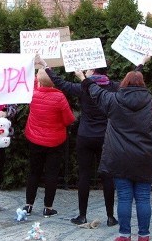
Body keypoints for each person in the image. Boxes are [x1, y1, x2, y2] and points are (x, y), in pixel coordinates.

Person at [81, 55, 152, 241]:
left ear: (123, 84)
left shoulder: (113, 100)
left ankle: (124, 238)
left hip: (120, 157)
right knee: (144, 198)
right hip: (145, 157)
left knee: (125, 197)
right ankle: (144, 239)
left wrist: (83, 77)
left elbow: (95, 91)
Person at [35, 54, 119, 227]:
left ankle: (82, 215)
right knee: (107, 176)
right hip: (105, 137)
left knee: (84, 176)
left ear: (93, 70)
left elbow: (60, 83)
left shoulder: (83, 87)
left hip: (86, 136)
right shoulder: (113, 87)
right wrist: (140, 64)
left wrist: (45, 64)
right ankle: (111, 217)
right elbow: (132, 82)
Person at [22, 68, 76, 218]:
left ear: (38, 81)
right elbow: (69, 119)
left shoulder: (32, 94)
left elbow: (33, 83)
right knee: (51, 175)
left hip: (34, 139)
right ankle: (48, 207)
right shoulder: (60, 97)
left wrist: (38, 67)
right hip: (55, 141)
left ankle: (28, 205)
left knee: (33, 172)